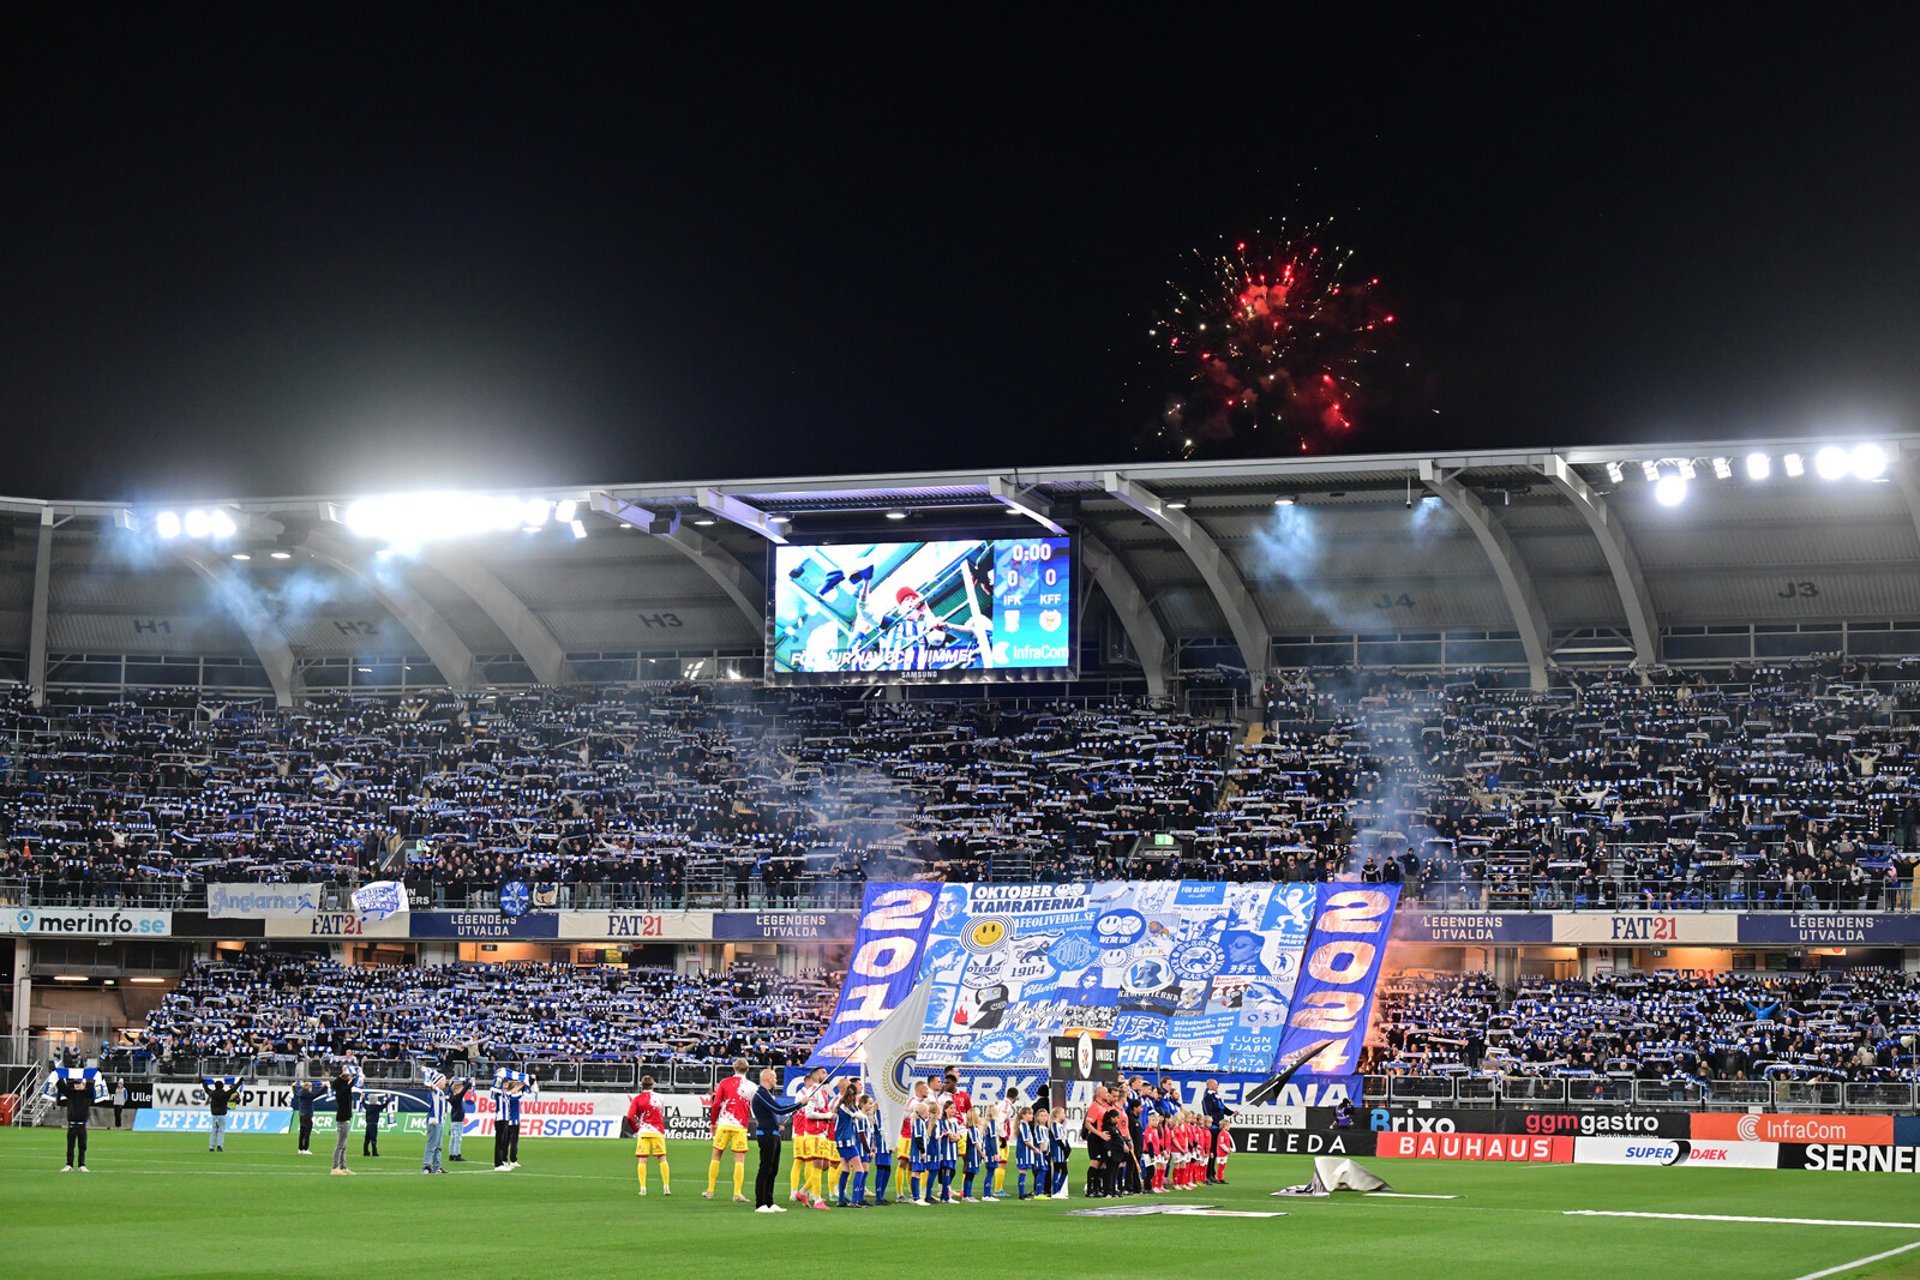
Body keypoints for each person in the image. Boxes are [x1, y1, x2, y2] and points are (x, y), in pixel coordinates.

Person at [748, 1067, 804, 1214]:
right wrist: (800, 1104)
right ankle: (760, 1203)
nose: (776, 1080)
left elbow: (771, 1113)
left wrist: (776, 1125)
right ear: (767, 1079)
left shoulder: (766, 1094)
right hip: (766, 1135)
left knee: (773, 1170)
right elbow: (778, 1109)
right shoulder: (760, 1094)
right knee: (765, 1169)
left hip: (773, 1133)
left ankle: (769, 1201)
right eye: (774, 1078)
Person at [704, 1057, 753, 1203]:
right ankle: (737, 1193)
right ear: (747, 1070)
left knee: (716, 1155)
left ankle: (710, 1190)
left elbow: (716, 1104)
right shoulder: (751, 1086)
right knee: (739, 1159)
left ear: (734, 1068)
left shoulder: (724, 1083)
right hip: (740, 1126)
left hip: (724, 1123)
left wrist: (713, 1123)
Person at [52, 1058, 107, 1172]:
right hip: (71, 1125)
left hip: (82, 1125)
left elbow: (95, 1084)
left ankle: (82, 1164)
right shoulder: (70, 1093)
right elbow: (61, 1085)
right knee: (70, 1147)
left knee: (82, 1147)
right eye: (76, 1083)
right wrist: (56, 1073)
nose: (77, 1085)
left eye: (79, 1083)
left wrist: (98, 1075)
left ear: (83, 1084)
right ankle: (69, 1165)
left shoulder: (87, 1094)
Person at [626, 1074, 672, 1196]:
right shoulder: (660, 1097)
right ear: (653, 1085)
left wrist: (636, 1129)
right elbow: (661, 1112)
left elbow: (630, 1116)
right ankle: (666, 1187)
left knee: (642, 1160)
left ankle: (643, 1188)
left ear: (641, 1086)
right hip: (657, 1131)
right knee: (662, 1159)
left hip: (644, 1131)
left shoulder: (637, 1099)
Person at [833, 1080, 868, 1207]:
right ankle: (854, 1201)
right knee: (860, 1170)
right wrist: (867, 1112)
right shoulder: (847, 1106)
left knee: (845, 1169)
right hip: (847, 1141)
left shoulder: (840, 1104)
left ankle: (841, 1200)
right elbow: (859, 1116)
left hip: (840, 1141)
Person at [330, 1061, 357, 1176]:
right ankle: (335, 1167)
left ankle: (343, 1166)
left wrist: (349, 1077)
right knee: (340, 1145)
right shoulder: (340, 1092)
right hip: (342, 1120)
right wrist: (347, 1078)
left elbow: (349, 1084)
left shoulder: (344, 1090)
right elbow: (347, 1086)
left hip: (345, 1119)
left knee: (344, 1146)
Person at [421, 1068, 449, 1174]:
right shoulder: (436, 1091)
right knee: (432, 1144)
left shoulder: (441, 1092)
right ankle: (427, 1166)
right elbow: (430, 1086)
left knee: (439, 1146)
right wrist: (427, 1076)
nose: (445, 1082)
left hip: (440, 1121)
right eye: (443, 1080)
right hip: (434, 1121)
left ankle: (437, 1166)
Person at [1201, 1078, 1229, 1182]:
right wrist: (1215, 1123)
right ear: (1210, 1085)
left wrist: (1231, 1113)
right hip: (1214, 1128)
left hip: (1218, 1127)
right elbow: (1208, 1112)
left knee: (1215, 1152)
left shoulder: (1216, 1096)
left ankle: (1212, 1174)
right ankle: (1208, 1174)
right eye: (1216, 1084)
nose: (1217, 1086)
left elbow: (1223, 1108)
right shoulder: (1207, 1097)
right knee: (1211, 1150)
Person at [203, 1076, 240, 1153]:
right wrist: (239, 1082)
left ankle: (211, 1146)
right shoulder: (225, 1094)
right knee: (221, 1131)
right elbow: (233, 1089)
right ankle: (220, 1146)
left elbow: (207, 1090)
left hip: (214, 1114)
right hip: (222, 1115)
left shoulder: (213, 1093)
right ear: (222, 1086)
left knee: (213, 1131)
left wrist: (204, 1083)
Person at [447, 1076, 469, 1161]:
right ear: (456, 1090)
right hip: (458, 1120)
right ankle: (457, 1154)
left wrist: (450, 1083)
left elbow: (449, 1092)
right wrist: (469, 1083)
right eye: (460, 1089)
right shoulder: (457, 1098)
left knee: (453, 1138)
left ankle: (451, 1154)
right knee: (458, 1138)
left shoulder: (451, 1097)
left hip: (453, 1120)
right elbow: (464, 1091)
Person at [293, 1080, 317, 1155]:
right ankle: (305, 1149)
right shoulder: (307, 1094)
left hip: (302, 1114)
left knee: (302, 1133)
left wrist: (293, 1087)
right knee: (307, 1133)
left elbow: (295, 1092)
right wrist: (325, 1088)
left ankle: (300, 1148)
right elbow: (316, 1095)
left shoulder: (300, 1092)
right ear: (308, 1088)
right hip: (307, 1115)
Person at [362, 1091, 386, 1157]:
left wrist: (362, 1097)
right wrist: (388, 1098)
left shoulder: (367, 1106)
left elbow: (363, 1103)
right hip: (374, 1125)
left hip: (368, 1125)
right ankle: (374, 1152)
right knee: (373, 1138)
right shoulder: (377, 1107)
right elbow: (385, 1105)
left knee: (367, 1139)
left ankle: (365, 1152)